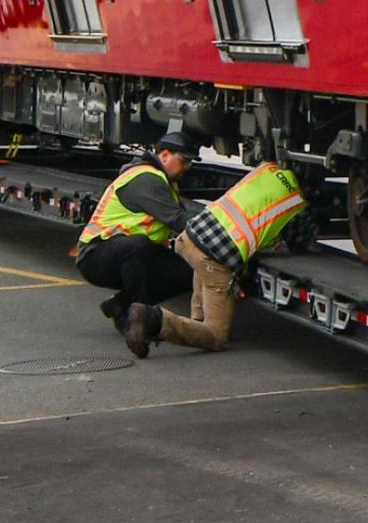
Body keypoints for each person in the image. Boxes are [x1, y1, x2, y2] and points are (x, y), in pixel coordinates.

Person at [123, 161, 314, 358]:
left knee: (202, 270)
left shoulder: (266, 170)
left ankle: (196, 322)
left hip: (189, 236)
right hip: (214, 256)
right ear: (309, 188)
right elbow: (298, 242)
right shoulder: (297, 202)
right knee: (217, 335)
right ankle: (154, 319)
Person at [73, 132, 199, 330]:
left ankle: (119, 305)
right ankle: (136, 319)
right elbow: (178, 220)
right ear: (164, 155)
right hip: (96, 255)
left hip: (132, 253)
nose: (187, 168)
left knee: (189, 274)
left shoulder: (166, 182)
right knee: (137, 245)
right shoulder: (146, 178)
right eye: (184, 161)